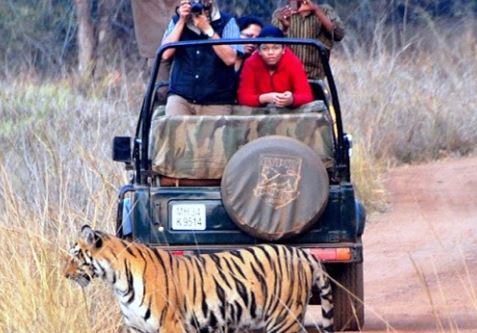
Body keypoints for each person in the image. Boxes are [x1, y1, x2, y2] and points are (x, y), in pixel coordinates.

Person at [161, 0, 242, 115]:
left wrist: (208, 30)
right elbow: (165, 54)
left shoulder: (228, 22)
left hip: (217, 100)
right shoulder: (176, 20)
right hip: (181, 96)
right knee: (173, 129)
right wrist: (181, 21)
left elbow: (230, 59)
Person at [237, 25, 313, 108]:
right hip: (259, 112)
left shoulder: (293, 62)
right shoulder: (250, 63)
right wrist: (263, 98)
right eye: (265, 48)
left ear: (283, 49)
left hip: (289, 112)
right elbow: (243, 98)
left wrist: (292, 99)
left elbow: (307, 96)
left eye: (276, 48)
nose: (270, 52)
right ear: (259, 51)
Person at [272, 0, 345, 80]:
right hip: (287, 77)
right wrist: (285, 26)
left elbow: (339, 35)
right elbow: (272, 44)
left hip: (315, 77)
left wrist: (316, 11)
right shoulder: (281, 14)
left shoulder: (325, 11)